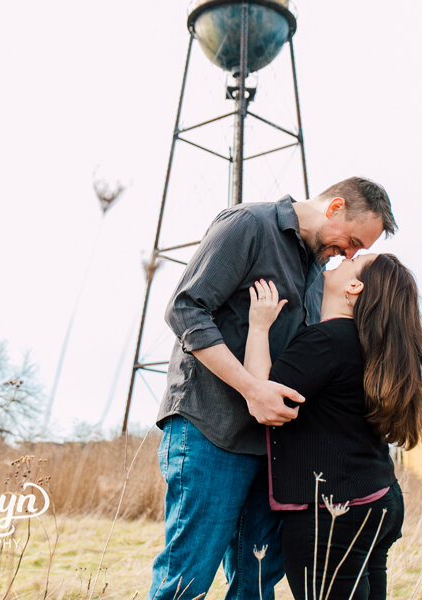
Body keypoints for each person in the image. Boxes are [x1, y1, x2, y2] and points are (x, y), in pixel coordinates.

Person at [149, 177, 397, 600]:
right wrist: (250, 388)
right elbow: (185, 309)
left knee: (258, 580)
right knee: (188, 577)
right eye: (352, 240)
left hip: (273, 452)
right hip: (212, 431)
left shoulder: (319, 272)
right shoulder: (248, 224)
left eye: (358, 251)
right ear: (334, 206)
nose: (351, 255)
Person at [242, 253, 422, 600]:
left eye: (355, 260)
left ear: (354, 286)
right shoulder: (373, 344)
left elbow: (265, 402)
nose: (346, 257)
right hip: (381, 501)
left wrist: (258, 327)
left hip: (334, 517)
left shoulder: (328, 340)